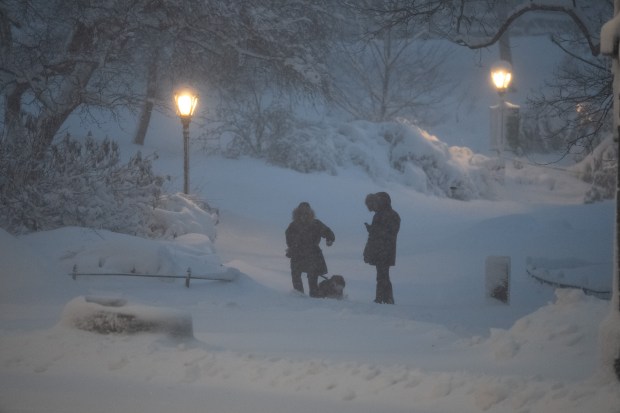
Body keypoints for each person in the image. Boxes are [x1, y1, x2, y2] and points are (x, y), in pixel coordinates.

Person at [285, 202, 335, 297]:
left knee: (312, 278)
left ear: (309, 213)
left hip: (313, 255)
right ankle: (299, 297)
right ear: (298, 213)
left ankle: (314, 298)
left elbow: (328, 232)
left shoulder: (316, 224)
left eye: (306, 213)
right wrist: (292, 247)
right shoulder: (293, 226)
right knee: (296, 276)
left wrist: (330, 239)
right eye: (301, 213)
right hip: (297, 254)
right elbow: (288, 238)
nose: (304, 215)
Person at [363, 192, 400, 304]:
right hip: (383, 250)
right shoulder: (386, 214)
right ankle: (385, 298)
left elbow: (388, 233)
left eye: (371, 206)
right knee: (383, 275)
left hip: (384, 250)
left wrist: (373, 230)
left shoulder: (387, 215)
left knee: (382, 275)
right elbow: (378, 234)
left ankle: (382, 298)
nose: (371, 209)